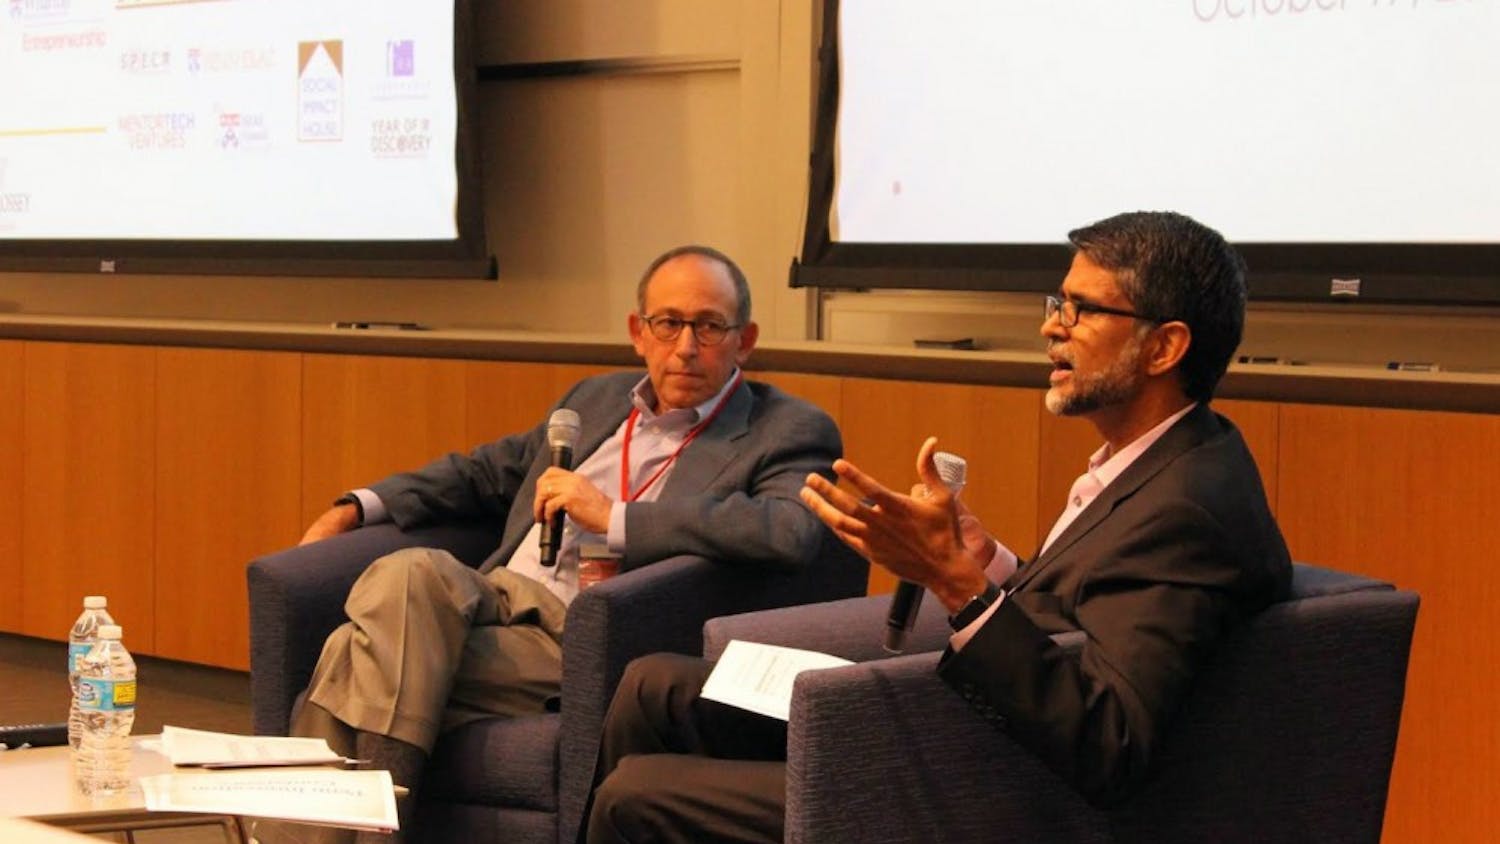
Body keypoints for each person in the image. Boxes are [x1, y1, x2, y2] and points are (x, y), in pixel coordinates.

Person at [585, 211, 1293, 843]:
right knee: (654, 686)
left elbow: (1109, 743)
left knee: (635, 795)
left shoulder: (1187, 510)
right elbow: (1087, 608)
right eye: (1058, 303)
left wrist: (957, 584)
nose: (1052, 326)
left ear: (1164, 348)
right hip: (972, 723)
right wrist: (988, 562)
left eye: (1083, 310)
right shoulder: (1156, 460)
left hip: (989, 783)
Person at [258, 245, 842, 844]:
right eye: (669, 323)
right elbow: (483, 472)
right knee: (407, 574)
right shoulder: (595, 401)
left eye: (710, 326)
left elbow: (786, 528)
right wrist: (356, 507)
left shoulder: (785, 428)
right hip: (491, 600)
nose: (687, 346)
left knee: (355, 650)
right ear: (638, 332)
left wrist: (615, 516)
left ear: (745, 340)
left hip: (588, 634)